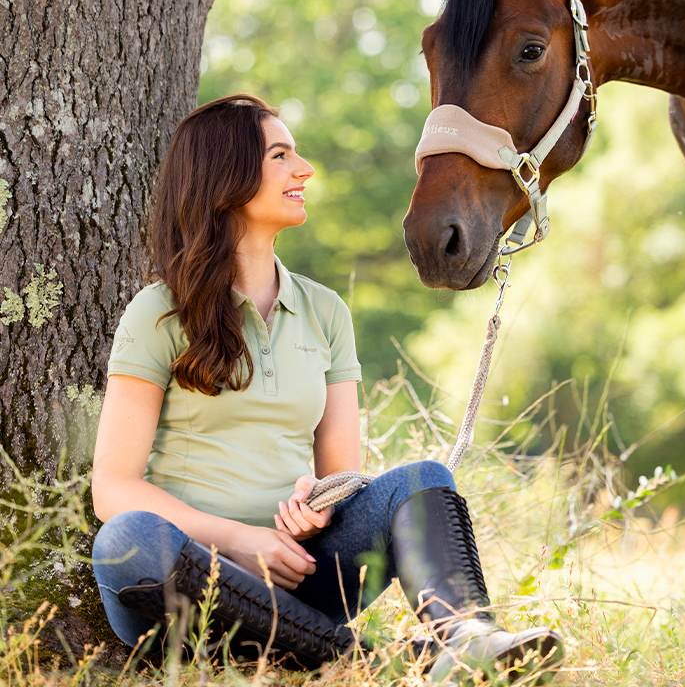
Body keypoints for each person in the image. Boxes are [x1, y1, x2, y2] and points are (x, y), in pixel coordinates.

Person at [91, 94, 563, 682]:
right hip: (182, 586)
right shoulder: (158, 313)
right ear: (226, 178)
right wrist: (240, 541)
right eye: (281, 155)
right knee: (126, 539)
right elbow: (112, 488)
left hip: (299, 574)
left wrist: (314, 511)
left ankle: (466, 633)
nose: (304, 168)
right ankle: (383, 662)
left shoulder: (326, 311)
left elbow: (344, 475)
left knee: (423, 479)